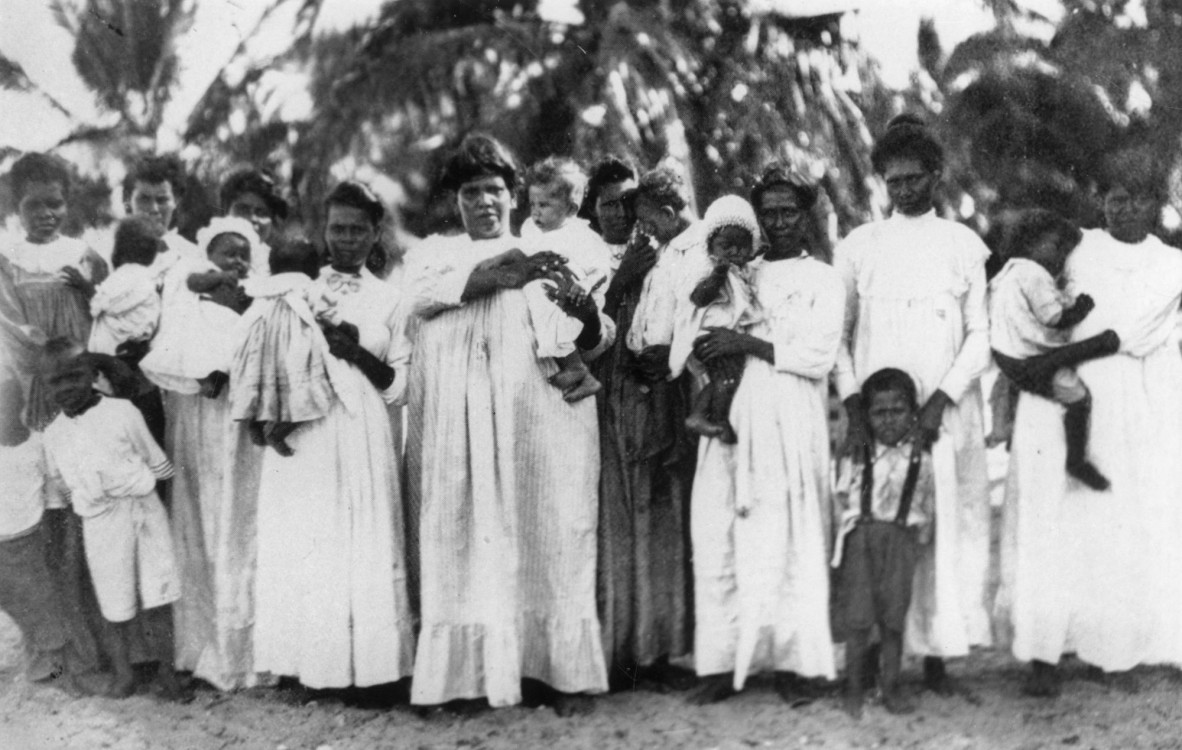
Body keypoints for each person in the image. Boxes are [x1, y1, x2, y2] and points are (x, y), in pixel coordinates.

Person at [406, 134, 610, 714]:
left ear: (514, 193)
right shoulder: (435, 255)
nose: (485, 203)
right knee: (466, 540)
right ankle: (465, 678)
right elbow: (415, 302)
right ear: (456, 200)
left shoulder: (549, 249)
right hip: (462, 432)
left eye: (494, 189)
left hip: (540, 423)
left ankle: (559, 674)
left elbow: (596, 340)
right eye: (471, 192)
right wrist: (492, 275)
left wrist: (585, 315)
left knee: (550, 531)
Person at [997, 147, 1182, 697]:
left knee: (1121, 519)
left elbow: (1136, 331)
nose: (1122, 209)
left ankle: (1116, 647)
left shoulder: (1172, 263)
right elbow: (1033, 299)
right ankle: (1044, 652)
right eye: (1113, 197)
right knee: (1055, 519)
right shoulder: (1076, 248)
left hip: (1136, 395)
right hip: (1065, 392)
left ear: (1157, 204)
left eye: (1136, 199)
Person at [833, 115, 992, 694]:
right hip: (880, 417)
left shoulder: (962, 245)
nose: (904, 190)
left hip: (945, 414)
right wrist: (855, 412)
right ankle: (880, 655)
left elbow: (981, 333)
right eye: (893, 180)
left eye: (914, 178)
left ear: (935, 174)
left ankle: (938, 659)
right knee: (881, 528)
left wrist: (940, 401)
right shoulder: (858, 246)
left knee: (944, 525)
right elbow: (839, 336)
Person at [686, 168, 845, 705]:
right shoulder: (736, 270)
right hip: (731, 413)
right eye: (769, 213)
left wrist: (746, 342)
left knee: (788, 537)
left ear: (807, 215)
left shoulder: (822, 277)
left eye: (788, 212)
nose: (778, 223)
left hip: (789, 415)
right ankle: (721, 663)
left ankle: (793, 666)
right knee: (721, 532)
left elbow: (818, 355)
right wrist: (718, 341)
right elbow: (702, 324)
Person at [250, 181, 415, 693]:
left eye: (357, 229)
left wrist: (358, 352)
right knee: (309, 540)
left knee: (361, 542)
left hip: (359, 429)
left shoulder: (391, 298)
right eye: (336, 228)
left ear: (374, 234)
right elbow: (267, 352)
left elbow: (401, 387)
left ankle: (371, 672)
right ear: (324, 231)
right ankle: (307, 665)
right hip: (305, 430)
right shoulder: (296, 286)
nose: (345, 239)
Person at [141, 216, 266, 691]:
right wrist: (202, 369)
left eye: (242, 254)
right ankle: (204, 646)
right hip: (198, 417)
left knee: (239, 520)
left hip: (239, 420)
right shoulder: (190, 294)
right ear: (206, 256)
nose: (235, 262)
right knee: (201, 518)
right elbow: (172, 346)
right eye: (224, 253)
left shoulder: (256, 294)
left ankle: (247, 648)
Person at [589, 160, 696, 692]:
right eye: (607, 202)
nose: (619, 212)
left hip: (656, 391)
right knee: (616, 518)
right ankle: (618, 650)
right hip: (603, 399)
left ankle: (657, 649)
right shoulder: (585, 255)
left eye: (628, 202)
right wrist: (620, 280)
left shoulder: (667, 253)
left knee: (658, 513)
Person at [39, 339, 187, 701]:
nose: (67, 388)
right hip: (99, 522)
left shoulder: (123, 412)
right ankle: (124, 674)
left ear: (93, 374)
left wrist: (155, 509)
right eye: (56, 381)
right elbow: (65, 491)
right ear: (45, 385)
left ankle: (169, 672)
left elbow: (159, 465)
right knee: (113, 599)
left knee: (158, 593)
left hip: (143, 509)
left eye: (74, 376)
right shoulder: (53, 435)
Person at [988, 209, 1120, 490]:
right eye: (1056, 246)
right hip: (1028, 358)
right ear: (1028, 243)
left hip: (1006, 354)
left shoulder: (1010, 271)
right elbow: (1054, 318)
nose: (1061, 255)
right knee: (1079, 396)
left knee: (1037, 378)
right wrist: (1081, 309)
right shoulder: (1034, 274)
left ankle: (1007, 424)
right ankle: (1076, 460)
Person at [832, 368, 934, 718]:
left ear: (913, 413)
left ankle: (891, 686)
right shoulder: (857, 453)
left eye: (897, 411)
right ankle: (853, 689)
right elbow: (841, 498)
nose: (889, 421)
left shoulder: (922, 458)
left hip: (901, 544)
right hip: (862, 541)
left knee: (893, 620)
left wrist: (916, 540)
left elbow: (926, 506)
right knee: (858, 621)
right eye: (879, 412)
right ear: (867, 415)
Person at [0, 369, 109, 696]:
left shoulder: (38, 443)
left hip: (27, 541)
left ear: (19, 403)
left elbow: (52, 495)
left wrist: (57, 538)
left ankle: (58, 673)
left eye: (7, 403)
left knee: (44, 611)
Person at [0, 152, 109, 430]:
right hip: (42, 375)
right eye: (33, 205)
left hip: (84, 369)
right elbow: (9, 324)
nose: (45, 213)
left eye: (54, 204)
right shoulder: (10, 261)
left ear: (66, 204)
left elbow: (104, 310)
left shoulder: (84, 255)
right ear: (17, 207)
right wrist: (50, 361)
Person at [230, 239, 338, 456]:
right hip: (293, 347)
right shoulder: (309, 285)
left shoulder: (264, 285)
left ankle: (255, 425)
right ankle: (279, 431)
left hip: (262, 348)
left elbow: (247, 299)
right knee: (305, 389)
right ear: (313, 269)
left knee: (260, 387)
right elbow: (325, 305)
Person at [520, 156, 612, 402]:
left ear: (570, 209)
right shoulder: (532, 229)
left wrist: (584, 285)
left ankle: (576, 367)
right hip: (547, 293)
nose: (536, 212)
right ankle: (582, 374)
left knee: (556, 316)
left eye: (544, 205)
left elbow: (601, 269)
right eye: (532, 205)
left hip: (577, 295)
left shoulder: (581, 235)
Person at [676, 195, 762, 444]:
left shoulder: (742, 269)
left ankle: (701, 413)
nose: (734, 252)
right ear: (711, 245)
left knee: (721, 378)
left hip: (724, 335)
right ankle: (719, 419)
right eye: (727, 245)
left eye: (742, 245)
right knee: (727, 376)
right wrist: (718, 274)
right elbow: (698, 298)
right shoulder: (708, 268)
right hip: (710, 335)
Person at [88, 217, 163, 358]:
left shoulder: (126, 274)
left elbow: (99, 306)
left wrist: (83, 285)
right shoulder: (148, 276)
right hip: (138, 344)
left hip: (114, 346)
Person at [122, 154, 201, 281]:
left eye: (162, 200)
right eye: (144, 199)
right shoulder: (109, 253)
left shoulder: (193, 256)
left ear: (176, 201)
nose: (154, 208)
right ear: (127, 201)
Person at [219, 167, 289, 277]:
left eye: (262, 212)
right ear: (225, 211)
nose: (252, 219)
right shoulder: (206, 259)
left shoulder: (280, 267)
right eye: (243, 210)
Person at [583, 155, 638, 270]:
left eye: (628, 200)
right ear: (592, 208)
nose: (622, 213)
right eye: (611, 204)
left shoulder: (656, 249)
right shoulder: (586, 257)